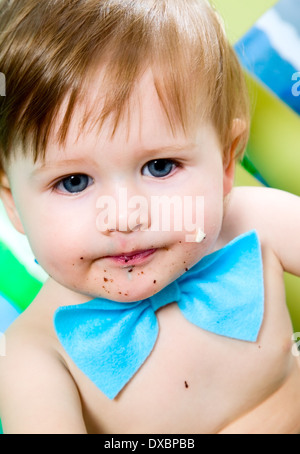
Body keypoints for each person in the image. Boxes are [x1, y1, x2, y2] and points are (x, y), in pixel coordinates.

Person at [0, 0, 300, 435]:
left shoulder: (258, 220)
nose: (124, 216)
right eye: (74, 182)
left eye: (160, 167)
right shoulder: (37, 352)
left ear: (226, 162)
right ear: (13, 203)